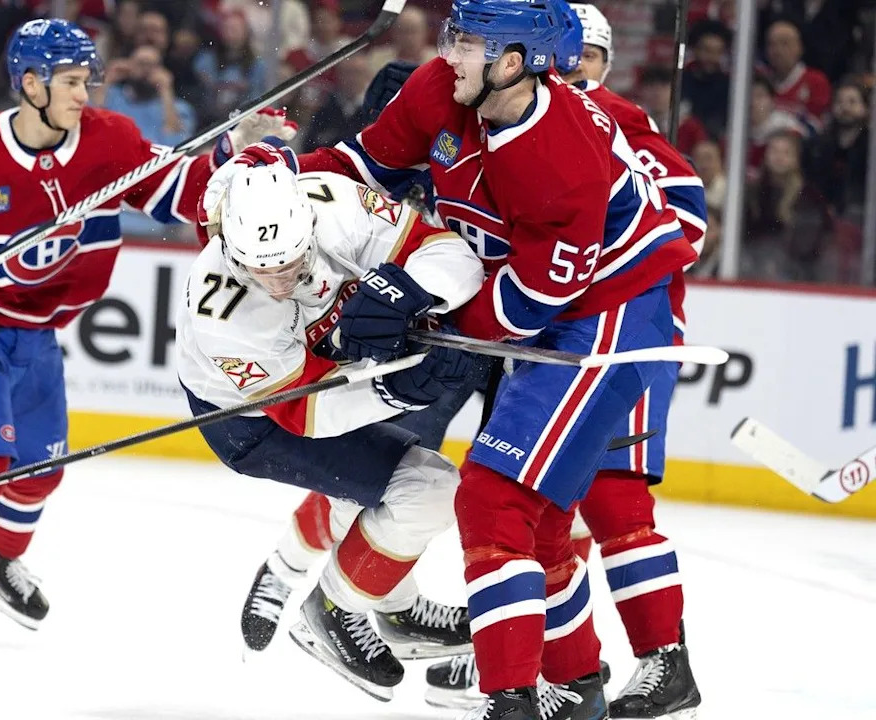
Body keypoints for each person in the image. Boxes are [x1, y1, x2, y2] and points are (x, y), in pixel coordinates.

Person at [234, 0, 697, 717]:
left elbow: (534, 300)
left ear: (514, 63)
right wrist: (275, 172)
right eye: (455, 35)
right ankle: (573, 689)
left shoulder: (560, 153)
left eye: (470, 42)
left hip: (609, 311)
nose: (450, 52)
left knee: (492, 496)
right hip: (546, 303)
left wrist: (418, 311)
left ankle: (510, 700)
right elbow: (362, 169)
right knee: (538, 518)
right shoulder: (438, 90)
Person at [0, 18, 257, 667]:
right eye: (72, 82)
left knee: (41, 471)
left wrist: (237, 157)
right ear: (31, 83)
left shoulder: (108, 140)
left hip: (38, 334)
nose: (85, 95)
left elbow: (175, 190)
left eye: (86, 81)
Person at [425, 6, 705, 719]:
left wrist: (636, 264)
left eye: (593, 54)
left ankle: (650, 662)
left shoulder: (599, 116)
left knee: (600, 499)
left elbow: (687, 220)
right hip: (558, 330)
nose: (581, 64)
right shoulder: (514, 110)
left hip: (616, 328)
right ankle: (569, 675)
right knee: (547, 512)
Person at [176, 160, 484, 700]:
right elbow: (307, 414)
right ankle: (335, 608)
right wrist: (396, 388)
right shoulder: (224, 316)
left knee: (369, 495)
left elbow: (448, 253)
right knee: (427, 490)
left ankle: (396, 610)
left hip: (320, 365)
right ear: (230, 250)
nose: (279, 282)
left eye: (291, 262)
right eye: (260, 271)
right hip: (252, 422)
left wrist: (413, 291)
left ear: (308, 224)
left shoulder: (333, 203)